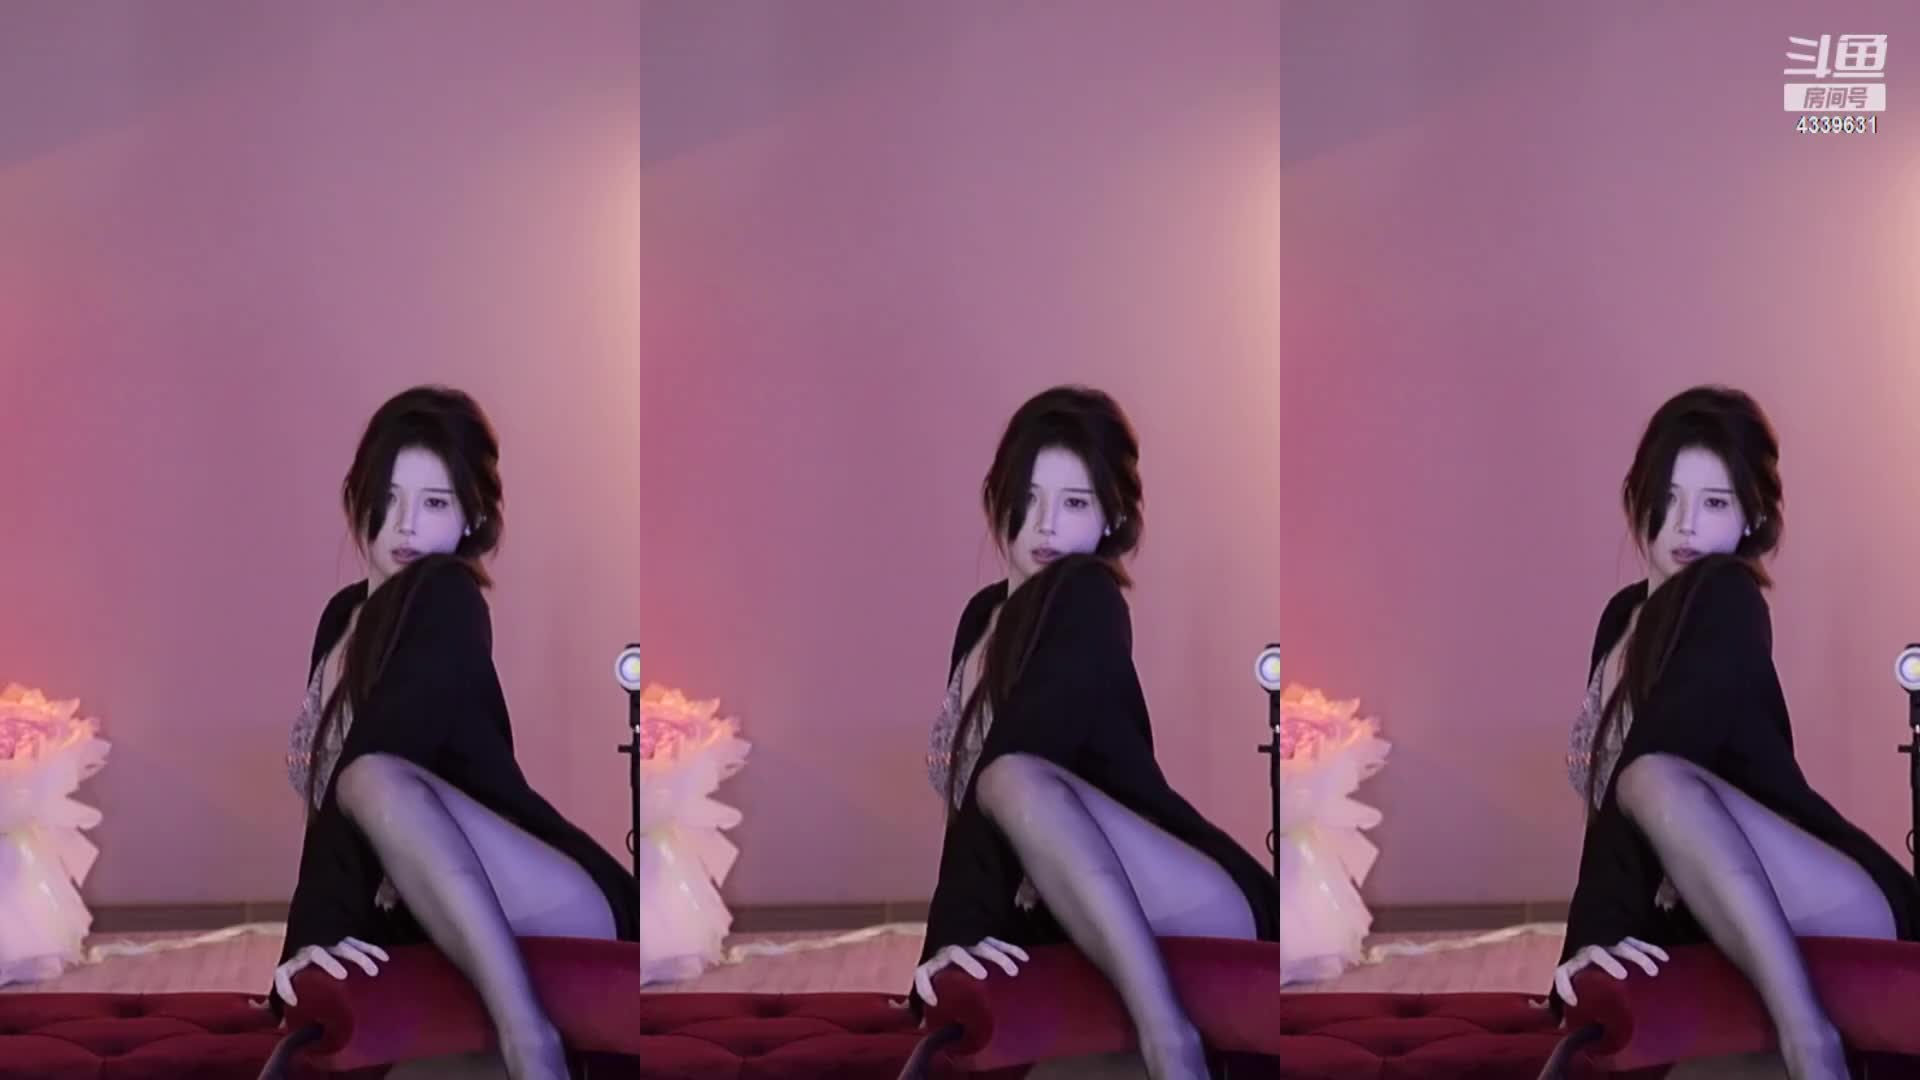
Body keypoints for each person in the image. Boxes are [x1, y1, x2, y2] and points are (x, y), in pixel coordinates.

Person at [1553, 386, 1920, 1080]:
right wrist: (1594, 956)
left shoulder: (1726, 595)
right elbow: (1606, 802)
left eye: (1715, 503)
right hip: (1721, 922)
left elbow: (1650, 764)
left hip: (1824, 902)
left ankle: (1813, 1045)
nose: (1686, 525)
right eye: (1669, 497)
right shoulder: (1621, 618)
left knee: (1652, 776)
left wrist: (1594, 928)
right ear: (1637, 496)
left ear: (1751, 518)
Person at [913, 386, 1279, 1080]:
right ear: (996, 496)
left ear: (1111, 518)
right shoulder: (981, 618)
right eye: (1029, 497)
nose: (1046, 525)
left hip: (1183, 898)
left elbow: (1010, 763)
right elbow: (965, 801)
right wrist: (953, 952)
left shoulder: (1085, 596)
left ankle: (1173, 1045)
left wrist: (955, 927)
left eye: (1075, 503)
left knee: (1012, 777)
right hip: (1077, 917)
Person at [272, 386, 638, 1080]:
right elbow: (325, 803)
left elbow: (370, 763)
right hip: (437, 919)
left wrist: (314, 928)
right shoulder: (341, 618)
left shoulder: (445, 596)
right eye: (389, 497)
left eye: (435, 503)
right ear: (357, 497)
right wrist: (313, 954)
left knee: (372, 776)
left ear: (471, 519)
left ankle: (533, 1043)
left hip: (542, 899)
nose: (406, 525)